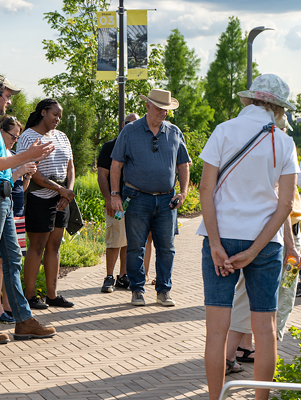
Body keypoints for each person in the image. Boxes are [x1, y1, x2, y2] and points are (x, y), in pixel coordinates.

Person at [197, 74, 299, 400]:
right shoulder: (283, 142)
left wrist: (214, 243)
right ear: (278, 108)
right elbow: (286, 203)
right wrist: (255, 250)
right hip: (265, 242)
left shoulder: (223, 130)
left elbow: (205, 189)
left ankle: (215, 398)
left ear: (250, 99)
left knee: (216, 332)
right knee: (265, 331)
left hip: (222, 237)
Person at [0, 74, 56, 343]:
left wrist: (28, 158)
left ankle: (23, 320)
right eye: (7, 96)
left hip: (2, 198)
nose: (8, 102)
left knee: (12, 260)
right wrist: (28, 155)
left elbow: (3, 162)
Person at [225, 114, 301, 372]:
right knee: (259, 302)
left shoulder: (269, 150)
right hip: (271, 238)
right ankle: (232, 355)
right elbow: (282, 209)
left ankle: (241, 349)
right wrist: (291, 246)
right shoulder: (276, 151)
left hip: (264, 234)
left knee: (249, 298)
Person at [111, 89, 190, 306]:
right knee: (136, 247)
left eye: (166, 110)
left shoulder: (174, 132)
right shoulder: (130, 131)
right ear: (147, 106)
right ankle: (137, 289)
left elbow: (184, 164)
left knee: (167, 247)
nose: (163, 113)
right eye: (159, 109)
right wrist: (115, 194)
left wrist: (183, 192)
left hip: (167, 201)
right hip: (136, 198)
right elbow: (116, 164)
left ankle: (164, 290)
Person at [17, 99, 75, 309]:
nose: (58, 119)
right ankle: (30, 296)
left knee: (55, 246)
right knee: (37, 246)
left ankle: (53, 295)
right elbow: (31, 171)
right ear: (43, 112)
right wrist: (59, 190)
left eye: (60, 116)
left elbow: (71, 167)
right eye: (54, 115)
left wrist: (67, 192)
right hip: (39, 198)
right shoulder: (28, 137)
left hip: (61, 199)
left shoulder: (62, 137)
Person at [0, 115, 37, 324]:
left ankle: (9, 306)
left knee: (14, 260)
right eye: (12, 136)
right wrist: (19, 171)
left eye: (17, 138)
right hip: (1, 209)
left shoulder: (13, 155)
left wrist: (27, 177)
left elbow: (19, 189)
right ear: (0, 131)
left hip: (16, 212)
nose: (14, 140)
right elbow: (3, 183)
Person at [98, 113, 140, 293]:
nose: (132, 126)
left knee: (128, 241)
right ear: (123, 125)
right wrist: (109, 198)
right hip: (117, 202)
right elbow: (102, 175)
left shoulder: (139, 147)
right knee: (115, 239)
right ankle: (109, 276)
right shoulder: (110, 146)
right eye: (129, 123)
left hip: (135, 202)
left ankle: (123, 276)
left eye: (136, 124)